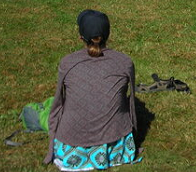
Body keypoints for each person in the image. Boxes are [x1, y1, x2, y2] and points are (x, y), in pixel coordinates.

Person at [44, 10, 141, 169]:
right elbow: (130, 106)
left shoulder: (67, 63)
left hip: (72, 145)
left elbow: (57, 104)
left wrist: (53, 136)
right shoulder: (125, 62)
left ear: (80, 37)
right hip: (116, 145)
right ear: (108, 34)